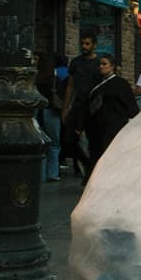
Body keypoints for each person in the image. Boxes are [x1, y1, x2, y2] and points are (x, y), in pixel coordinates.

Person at [85, 55, 139, 173]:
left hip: (114, 124)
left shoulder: (120, 84)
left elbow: (130, 105)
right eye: (100, 64)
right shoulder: (97, 83)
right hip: (98, 125)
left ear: (112, 67)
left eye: (104, 64)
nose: (101, 67)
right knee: (96, 152)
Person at [62, 31, 97, 179]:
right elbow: (70, 85)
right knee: (68, 140)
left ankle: (92, 170)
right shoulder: (75, 62)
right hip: (78, 104)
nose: (84, 46)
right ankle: (87, 163)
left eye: (87, 44)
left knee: (93, 139)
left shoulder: (99, 62)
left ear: (94, 45)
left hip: (93, 105)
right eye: (82, 43)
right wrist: (65, 107)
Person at [34, 51, 63, 181]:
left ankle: (40, 175)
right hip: (52, 111)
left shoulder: (36, 77)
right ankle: (53, 173)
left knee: (41, 143)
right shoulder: (55, 76)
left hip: (37, 111)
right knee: (54, 144)